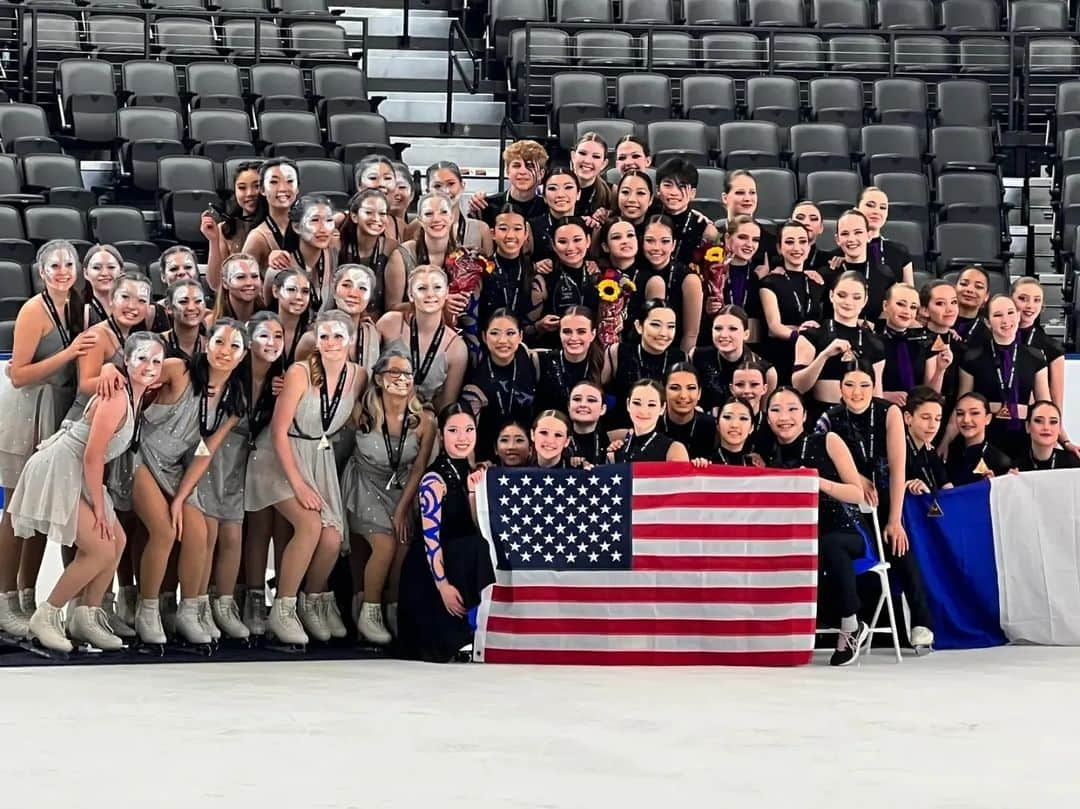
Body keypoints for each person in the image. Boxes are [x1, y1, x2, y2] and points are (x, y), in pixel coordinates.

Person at [10, 333, 165, 652]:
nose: (149, 366)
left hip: (78, 471)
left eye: (156, 361)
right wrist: (98, 506)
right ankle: (47, 614)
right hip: (60, 468)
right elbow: (93, 456)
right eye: (142, 358)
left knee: (116, 541)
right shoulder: (117, 397)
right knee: (98, 547)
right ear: (126, 361)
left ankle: (86, 616)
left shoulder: (137, 394)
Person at [248, 311, 366, 647]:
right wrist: (298, 484)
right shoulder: (300, 372)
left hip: (319, 456)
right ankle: (282, 608)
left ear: (351, 340)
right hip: (277, 456)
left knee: (332, 538)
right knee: (311, 526)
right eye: (324, 336)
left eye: (338, 336)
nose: (330, 343)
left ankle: (312, 601)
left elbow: (360, 415)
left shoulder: (359, 376)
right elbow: (278, 431)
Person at [132, 319, 249, 647]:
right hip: (137, 454)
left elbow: (204, 453)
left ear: (244, 355)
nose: (225, 352)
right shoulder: (177, 369)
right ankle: (148, 610)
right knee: (165, 530)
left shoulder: (234, 400)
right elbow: (134, 380)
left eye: (235, 346)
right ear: (205, 344)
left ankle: (189, 611)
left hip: (174, 469)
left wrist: (181, 497)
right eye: (219, 343)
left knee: (199, 532)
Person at [0, 240, 91, 638]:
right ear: (41, 272)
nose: (62, 270)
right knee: (16, 508)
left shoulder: (78, 305)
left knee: (35, 513)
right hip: (28, 410)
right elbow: (18, 373)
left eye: (69, 263)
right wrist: (69, 353)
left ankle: (25, 594)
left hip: (57, 408)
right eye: (53, 265)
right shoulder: (33, 310)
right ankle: (4, 599)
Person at [817, 358, 935, 649]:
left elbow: (898, 466)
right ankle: (852, 621)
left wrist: (895, 519)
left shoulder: (889, 411)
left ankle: (921, 620)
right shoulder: (829, 418)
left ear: (874, 387)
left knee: (899, 544)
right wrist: (857, 479)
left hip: (887, 494)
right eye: (849, 385)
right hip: (850, 498)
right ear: (840, 388)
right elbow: (824, 457)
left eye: (864, 385)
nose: (857, 392)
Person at [764, 387, 870, 666]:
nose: (784, 416)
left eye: (792, 409)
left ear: (804, 414)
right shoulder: (766, 454)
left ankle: (851, 624)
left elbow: (857, 495)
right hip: (797, 537)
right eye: (775, 410)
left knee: (830, 543)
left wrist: (816, 481)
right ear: (766, 418)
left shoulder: (826, 441)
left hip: (845, 532)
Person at [341, 346, 436, 645]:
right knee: (382, 546)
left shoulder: (424, 422)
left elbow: (419, 468)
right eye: (394, 372)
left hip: (402, 489)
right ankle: (368, 611)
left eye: (407, 373)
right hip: (364, 484)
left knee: (402, 544)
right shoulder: (361, 412)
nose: (401, 378)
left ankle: (392, 609)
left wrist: (402, 510)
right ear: (380, 379)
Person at [398, 405, 494, 662]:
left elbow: (478, 526)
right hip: (430, 574)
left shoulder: (474, 472)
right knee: (474, 547)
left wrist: (474, 493)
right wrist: (443, 587)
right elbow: (431, 540)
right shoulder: (434, 479)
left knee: (479, 545)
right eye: (454, 430)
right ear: (441, 434)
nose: (462, 437)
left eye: (468, 430)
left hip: (458, 561)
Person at [956, 294, 1051, 460]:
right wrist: (946, 439)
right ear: (987, 322)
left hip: (1024, 436)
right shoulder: (973, 357)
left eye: (1011, 313)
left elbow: (1046, 406)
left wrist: (1064, 441)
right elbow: (962, 403)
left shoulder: (1035, 356)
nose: (1006, 320)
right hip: (984, 435)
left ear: (1018, 315)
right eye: (998, 315)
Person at [793, 271, 885, 420]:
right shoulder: (811, 335)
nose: (848, 302)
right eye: (842, 295)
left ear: (865, 300)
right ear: (831, 295)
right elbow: (798, 386)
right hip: (820, 416)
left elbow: (877, 394)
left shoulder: (875, 343)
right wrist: (824, 355)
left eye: (856, 297)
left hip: (861, 418)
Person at [376, 265, 468, 411]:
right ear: (410, 294)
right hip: (381, 411)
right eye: (422, 288)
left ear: (447, 293)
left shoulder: (456, 348)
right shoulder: (389, 324)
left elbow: (446, 406)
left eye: (437, 287)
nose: (430, 294)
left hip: (423, 421)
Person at [462, 310, 537, 462]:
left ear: (520, 336)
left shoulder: (530, 360)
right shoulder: (475, 373)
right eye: (495, 333)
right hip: (489, 456)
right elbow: (469, 426)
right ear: (484, 336)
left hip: (530, 454)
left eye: (510, 333)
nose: (503, 340)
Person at [603, 299, 687, 427]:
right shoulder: (617, 352)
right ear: (639, 326)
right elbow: (599, 392)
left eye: (671, 326)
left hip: (664, 432)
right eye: (655, 325)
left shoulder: (680, 358)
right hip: (620, 431)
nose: (664, 333)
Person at [760, 220, 824, 383]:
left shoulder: (817, 281)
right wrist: (802, 335)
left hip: (812, 356)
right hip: (781, 355)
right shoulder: (771, 281)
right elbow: (775, 327)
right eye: (789, 242)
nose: (797, 248)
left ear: (809, 247)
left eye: (803, 241)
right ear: (779, 248)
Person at [1013, 277, 1072, 450]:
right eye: (1023, 299)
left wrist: (1064, 441)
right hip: (997, 426)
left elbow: (1055, 406)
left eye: (1037, 300)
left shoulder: (1052, 347)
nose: (1030, 306)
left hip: (1033, 430)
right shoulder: (994, 339)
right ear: (1011, 299)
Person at [635, 214, 703, 351]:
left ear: (674, 245)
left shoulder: (689, 279)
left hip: (675, 352)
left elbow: (691, 334)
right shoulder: (636, 270)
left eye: (665, 241)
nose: (656, 247)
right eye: (650, 241)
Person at [298, 265, 381, 371]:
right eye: (346, 285)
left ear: (370, 297)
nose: (353, 294)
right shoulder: (312, 339)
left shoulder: (374, 336)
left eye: (362, 288)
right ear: (334, 290)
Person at [385, 191, 456, 307]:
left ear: (452, 217)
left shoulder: (462, 255)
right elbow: (392, 307)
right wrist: (437, 303)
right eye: (428, 214)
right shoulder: (401, 256)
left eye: (443, 212)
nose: (437, 219)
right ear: (420, 220)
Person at [266, 194, 336, 309]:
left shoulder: (335, 255)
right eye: (315, 220)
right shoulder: (279, 267)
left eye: (329, 220)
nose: (323, 228)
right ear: (296, 227)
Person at [825, 209, 896, 322]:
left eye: (858, 232)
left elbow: (890, 312)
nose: (851, 239)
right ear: (837, 239)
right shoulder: (827, 274)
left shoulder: (885, 274)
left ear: (869, 236)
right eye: (845, 234)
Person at [336, 189, 397, 317]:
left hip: (376, 322)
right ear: (354, 216)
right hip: (339, 317)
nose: (376, 219)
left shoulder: (391, 248)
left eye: (382, 214)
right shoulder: (337, 245)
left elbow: (392, 304)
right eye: (369, 212)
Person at [531, 306, 602, 414]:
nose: (573, 338)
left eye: (581, 332)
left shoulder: (603, 363)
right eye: (567, 332)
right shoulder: (541, 360)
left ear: (593, 334)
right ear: (559, 333)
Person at [480, 205, 540, 328]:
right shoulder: (482, 269)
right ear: (493, 234)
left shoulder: (533, 271)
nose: (510, 235)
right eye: (503, 229)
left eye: (517, 229)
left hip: (524, 341)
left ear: (526, 234)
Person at [467, 138, 548, 227]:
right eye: (516, 165)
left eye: (530, 166)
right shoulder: (487, 206)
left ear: (541, 173)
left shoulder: (548, 208)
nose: (522, 171)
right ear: (507, 171)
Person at [239, 158, 300, 273]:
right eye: (274, 182)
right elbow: (243, 278)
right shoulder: (257, 237)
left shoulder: (309, 227)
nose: (282, 188)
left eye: (290, 181)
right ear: (262, 190)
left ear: (297, 188)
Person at [656, 158, 720, 266]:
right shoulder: (649, 216)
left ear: (693, 193)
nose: (674, 192)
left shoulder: (706, 229)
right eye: (668, 185)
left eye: (682, 186)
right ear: (658, 189)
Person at [879, 283, 934, 408]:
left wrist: (940, 369)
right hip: (883, 410)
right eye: (900, 304)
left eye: (913, 307)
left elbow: (930, 391)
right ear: (885, 305)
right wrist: (884, 395)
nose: (907, 311)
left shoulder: (923, 342)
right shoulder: (873, 342)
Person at [608, 379, 690, 462]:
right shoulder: (619, 445)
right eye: (637, 403)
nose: (643, 411)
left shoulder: (674, 449)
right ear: (628, 404)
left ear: (662, 408)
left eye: (651, 405)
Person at [945, 392, 1013, 485]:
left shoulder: (1000, 461)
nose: (966, 419)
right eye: (960, 413)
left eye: (974, 413)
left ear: (988, 418)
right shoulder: (950, 452)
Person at [858, 187, 915, 285]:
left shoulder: (900, 252)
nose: (876, 211)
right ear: (856, 209)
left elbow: (910, 295)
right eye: (870, 205)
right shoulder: (842, 253)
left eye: (883, 207)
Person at [659, 363, 716, 458]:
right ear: (664, 391)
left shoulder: (712, 426)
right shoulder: (652, 425)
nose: (683, 396)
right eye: (675, 388)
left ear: (699, 393)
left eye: (691, 388)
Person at [903, 386, 951, 494]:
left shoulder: (929, 450)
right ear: (908, 418)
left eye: (937, 419)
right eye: (925, 418)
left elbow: (948, 487)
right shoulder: (898, 450)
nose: (933, 425)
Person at [529, 165, 580, 262]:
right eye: (552, 188)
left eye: (568, 187)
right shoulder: (531, 227)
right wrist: (534, 268)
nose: (560, 194)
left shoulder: (589, 225)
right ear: (544, 196)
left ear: (578, 194)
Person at [1014, 400, 1080, 471]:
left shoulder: (1074, 465)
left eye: (1053, 422)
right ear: (1028, 426)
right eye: (1038, 421)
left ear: (1060, 428)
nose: (1046, 427)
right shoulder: (1016, 468)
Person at [569, 132, 614, 228]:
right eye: (582, 153)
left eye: (596, 156)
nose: (588, 161)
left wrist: (607, 220)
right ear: (573, 156)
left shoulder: (613, 193)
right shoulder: (554, 188)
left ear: (604, 164)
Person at [161, 279, 208, 362]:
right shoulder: (157, 344)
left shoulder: (211, 345)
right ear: (169, 307)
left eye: (198, 301)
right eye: (183, 302)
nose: (191, 308)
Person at [706, 397, 761, 466]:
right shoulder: (706, 464)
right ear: (717, 424)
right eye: (727, 417)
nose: (734, 425)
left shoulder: (756, 467)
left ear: (751, 427)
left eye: (743, 418)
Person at [211, 253, 262, 324]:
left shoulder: (270, 320)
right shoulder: (210, 322)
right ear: (225, 283)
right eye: (240, 277)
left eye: (254, 276)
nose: (249, 283)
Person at [566, 380, 608, 466]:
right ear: (569, 406)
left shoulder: (612, 442)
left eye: (591, 400)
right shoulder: (556, 440)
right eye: (577, 399)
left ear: (602, 409)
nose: (583, 404)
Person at [81, 244, 123, 326]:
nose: (104, 273)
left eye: (111, 267)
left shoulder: (133, 307)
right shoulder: (78, 310)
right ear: (85, 273)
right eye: (96, 268)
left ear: (121, 271)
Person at [953, 265, 991, 344]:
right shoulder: (937, 321)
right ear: (954, 288)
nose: (970, 290)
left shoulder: (989, 332)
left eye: (978, 287)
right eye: (964, 284)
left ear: (986, 296)